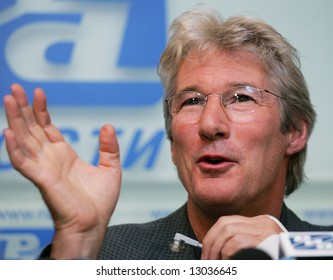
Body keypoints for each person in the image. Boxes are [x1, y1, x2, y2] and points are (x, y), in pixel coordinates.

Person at [3, 7, 333, 260]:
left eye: (242, 97)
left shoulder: (323, 255)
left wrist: (288, 253)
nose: (209, 124)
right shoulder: (104, 255)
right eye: (191, 101)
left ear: (294, 131)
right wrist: (77, 239)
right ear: (173, 143)